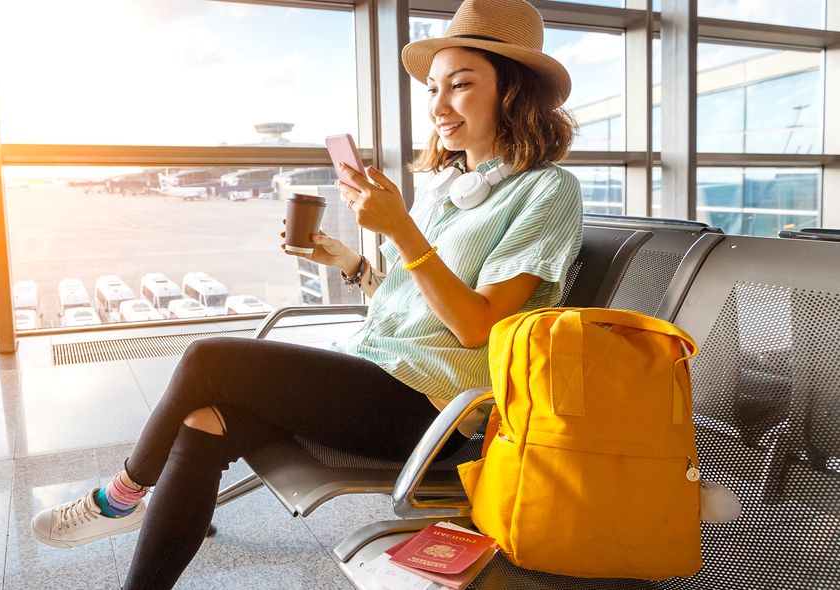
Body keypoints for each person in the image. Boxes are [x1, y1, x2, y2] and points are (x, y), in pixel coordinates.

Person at [31, 0, 583, 587]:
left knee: (207, 358)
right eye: (433, 89)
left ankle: (119, 497)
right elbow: (411, 305)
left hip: (435, 410)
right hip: (378, 373)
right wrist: (350, 262)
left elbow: (477, 327)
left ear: (512, 93)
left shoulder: (548, 192)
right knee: (203, 419)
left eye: (462, 85)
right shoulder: (448, 191)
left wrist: (401, 229)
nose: (440, 106)